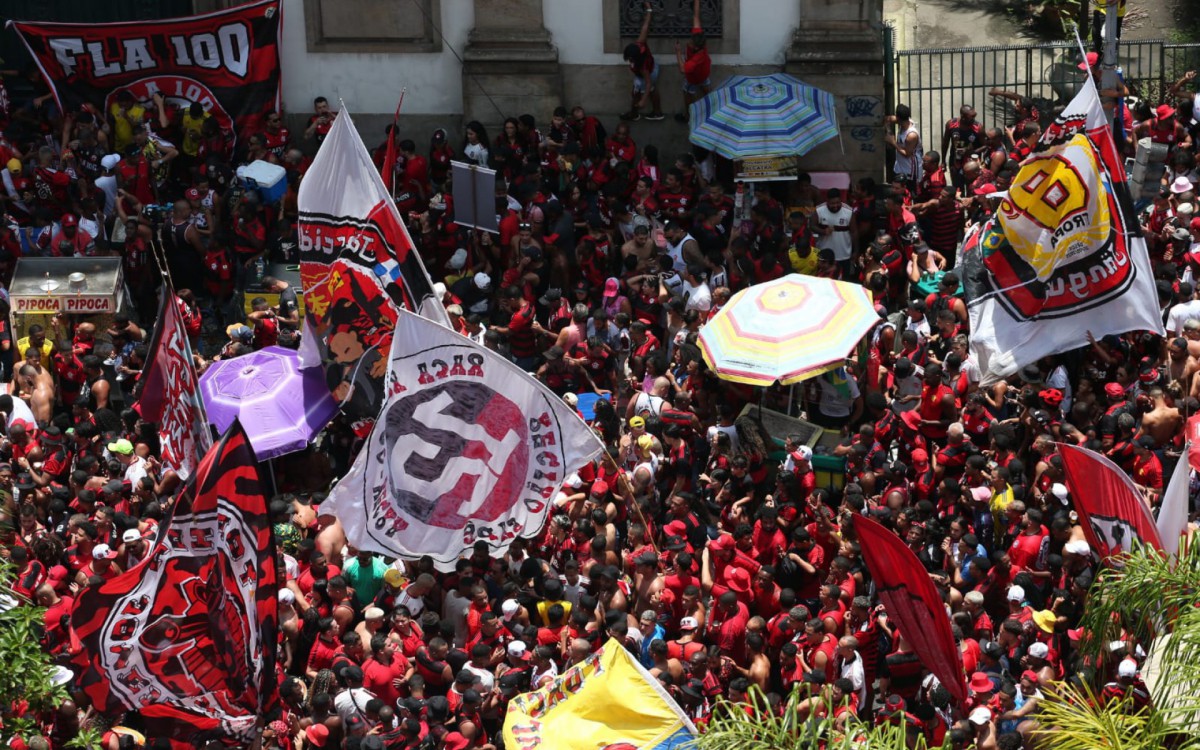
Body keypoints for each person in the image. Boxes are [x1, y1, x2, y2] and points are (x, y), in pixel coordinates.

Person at [621, 3, 664, 122]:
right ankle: (657, 112)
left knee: (637, 92)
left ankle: (634, 114)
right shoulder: (639, 43)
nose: (629, 60)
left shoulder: (642, 66)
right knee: (652, 89)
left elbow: (648, 82)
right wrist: (649, 9)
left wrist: (643, 100)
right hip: (654, 67)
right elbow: (645, 26)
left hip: (648, 73)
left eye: (631, 59)